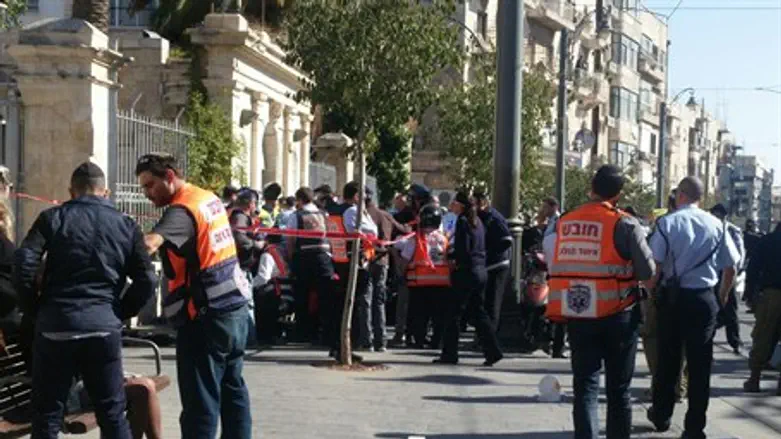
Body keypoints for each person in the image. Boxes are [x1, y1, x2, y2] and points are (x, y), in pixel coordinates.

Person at [14, 162, 157, 439]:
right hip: (103, 325)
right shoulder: (126, 225)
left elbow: (24, 263)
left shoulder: (52, 218)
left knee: (47, 415)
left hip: (56, 325)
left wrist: (35, 309)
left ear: (71, 191)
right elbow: (147, 280)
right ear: (106, 192)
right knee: (112, 413)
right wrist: (119, 312)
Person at [136, 153, 252, 439]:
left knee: (200, 403)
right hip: (234, 309)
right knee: (233, 390)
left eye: (150, 185)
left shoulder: (182, 210)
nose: (147, 194)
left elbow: (151, 243)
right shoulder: (207, 198)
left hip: (205, 317)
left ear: (170, 177)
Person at [543, 165, 655, 439]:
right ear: (618, 194)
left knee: (585, 387)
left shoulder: (565, 221)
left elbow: (552, 257)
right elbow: (647, 271)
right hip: (618, 314)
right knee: (618, 390)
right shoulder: (625, 223)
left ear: (591, 188)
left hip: (578, 312)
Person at [646, 176, 740, 439]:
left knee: (668, 359)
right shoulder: (718, 225)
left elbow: (656, 264)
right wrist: (721, 296)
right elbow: (730, 267)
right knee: (700, 366)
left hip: (673, 299)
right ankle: (694, 427)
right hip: (704, 299)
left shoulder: (667, 223)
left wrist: (651, 290)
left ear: (681, 196)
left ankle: (662, 415)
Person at [434, 191, 502, 366]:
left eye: (454, 203)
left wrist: (451, 258)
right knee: (478, 313)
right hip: (480, 271)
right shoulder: (477, 222)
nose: (451, 206)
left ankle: (449, 354)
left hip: (465, 272)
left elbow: (464, 249)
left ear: (461, 205)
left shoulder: (463, 222)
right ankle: (493, 351)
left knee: (453, 314)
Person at [285, 187, 354, 361]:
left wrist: (291, 259)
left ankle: (305, 332)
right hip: (324, 259)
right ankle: (327, 335)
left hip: (304, 259)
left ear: (300, 200)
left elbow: (291, 240)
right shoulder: (324, 215)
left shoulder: (296, 216)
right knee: (326, 299)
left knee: (302, 297)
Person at [395, 205, 449, 350]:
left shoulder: (416, 239)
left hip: (419, 284)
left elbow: (405, 260)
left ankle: (419, 340)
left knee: (419, 315)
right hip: (441, 283)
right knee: (438, 315)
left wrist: (399, 269)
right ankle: (437, 341)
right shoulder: (444, 239)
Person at [390, 184, 434, 347]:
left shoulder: (427, 213)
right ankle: (403, 333)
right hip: (409, 262)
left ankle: (415, 333)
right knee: (405, 301)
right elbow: (395, 238)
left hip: (420, 264)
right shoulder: (406, 215)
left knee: (415, 303)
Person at [366, 189, 409, 351]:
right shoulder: (385, 215)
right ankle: (381, 339)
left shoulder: (363, 216)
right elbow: (404, 230)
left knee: (366, 300)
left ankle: (366, 338)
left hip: (368, 259)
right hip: (383, 261)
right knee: (379, 300)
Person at [743, 221, 781, 394]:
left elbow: (753, 268)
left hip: (771, 293)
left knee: (763, 335)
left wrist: (749, 294)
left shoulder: (768, 241)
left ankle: (755, 378)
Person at [340, 182, 378, 351]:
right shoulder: (352, 211)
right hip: (356, 259)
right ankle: (358, 339)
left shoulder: (352, 210)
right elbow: (371, 230)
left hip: (351, 258)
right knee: (360, 301)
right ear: (356, 196)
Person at [709, 203, 746, 354]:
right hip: (712, 274)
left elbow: (739, 254)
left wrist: (736, 273)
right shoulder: (709, 228)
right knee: (712, 308)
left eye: (718, 215)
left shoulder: (731, 230)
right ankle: (709, 335)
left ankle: (734, 341)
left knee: (730, 309)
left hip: (726, 273)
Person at [473, 192, 512, 331]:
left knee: (492, 303)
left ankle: (489, 337)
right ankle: (484, 335)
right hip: (488, 265)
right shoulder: (483, 217)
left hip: (497, 265)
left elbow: (506, 240)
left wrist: (489, 253)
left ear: (482, 203)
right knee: (485, 303)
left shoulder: (494, 217)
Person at [742, 218, 763, 311]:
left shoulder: (750, 236)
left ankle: (752, 302)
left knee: (753, 284)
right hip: (753, 263)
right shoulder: (751, 236)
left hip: (754, 263)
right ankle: (752, 302)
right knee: (752, 284)